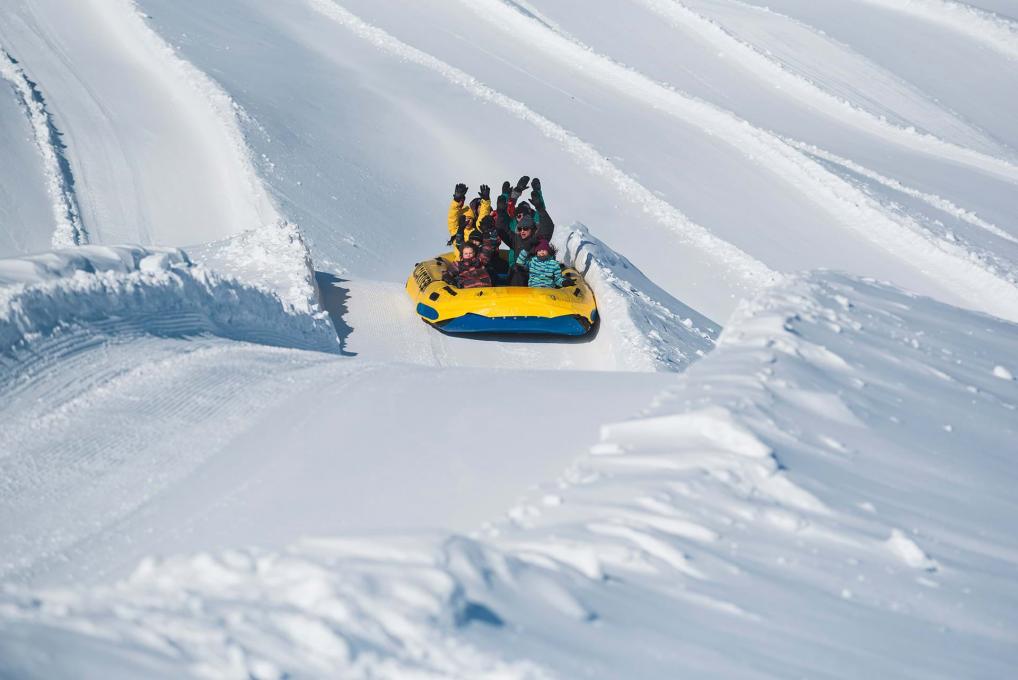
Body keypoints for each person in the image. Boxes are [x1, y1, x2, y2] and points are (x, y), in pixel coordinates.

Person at [447, 183, 491, 257]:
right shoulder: (455, 231)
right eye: (465, 218)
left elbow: (483, 216)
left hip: (476, 264)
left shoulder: (477, 231)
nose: (468, 221)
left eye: (470, 218)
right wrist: (456, 200)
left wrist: (486, 201)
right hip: (460, 264)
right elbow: (452, 217)